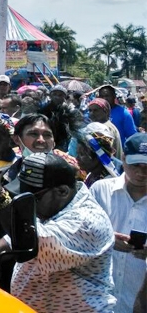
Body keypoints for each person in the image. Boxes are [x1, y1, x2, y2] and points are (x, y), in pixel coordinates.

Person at [0, 152, 116, 312]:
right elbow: (12, 240)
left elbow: (31, 242)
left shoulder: (87, 221)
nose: (29, 204)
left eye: (33, 198)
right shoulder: (51, 208)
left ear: (62, 191)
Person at [90, 133, 147, 313]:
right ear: (123, 159)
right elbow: (80, 234)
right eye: (135, 165)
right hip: (100, 301)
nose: (141, 173)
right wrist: (107, 239)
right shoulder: (100, 190)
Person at [75, 122, 121, 188]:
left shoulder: (105, 184)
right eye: (78, 153)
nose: (77, 158)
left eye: (82, 154)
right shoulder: (91, 176)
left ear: (98, 157)